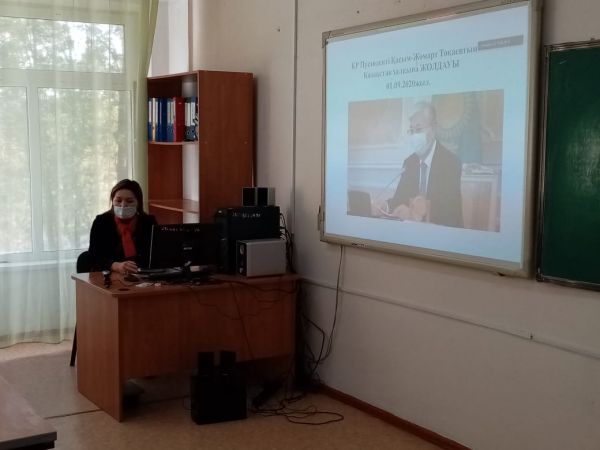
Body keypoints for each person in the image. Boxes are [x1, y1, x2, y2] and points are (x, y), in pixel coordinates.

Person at [374, 102, 463, 227]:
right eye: (411, 131)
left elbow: (449, 212)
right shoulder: (409, 163)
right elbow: (400, 199)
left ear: (434, 128)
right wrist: (386, 206)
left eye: (419, 129)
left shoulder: (450, 163)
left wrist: (414, 215)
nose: (414, 136)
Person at [87, 179, 157, 274]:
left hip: (142, 275)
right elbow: (93, 258)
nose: (123, 205)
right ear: (113, 201)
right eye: (118, 200)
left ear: (138, 203)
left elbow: (157, 255)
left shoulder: (148, 222)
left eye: (129, 201)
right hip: (110, 275)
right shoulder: (101, 222)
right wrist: (115, 266)